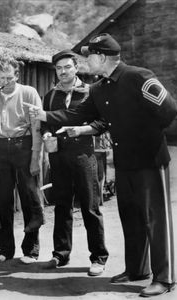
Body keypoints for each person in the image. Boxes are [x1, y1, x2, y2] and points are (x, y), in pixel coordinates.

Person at [28, 33, 177, 297]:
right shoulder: (99, 88)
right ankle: (137, 270)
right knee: (131, 218)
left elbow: (169, 110)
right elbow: (78, 115)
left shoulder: (138, 76)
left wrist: (145, 138)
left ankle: (164, 279)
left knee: (156, 220)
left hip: (150, 160)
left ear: (101, 57)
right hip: (124, 163)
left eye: (89, 56)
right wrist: (45, 115)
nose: (86, 61)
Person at [40, 50, 108, 276]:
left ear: (76, 68)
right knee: (61, 205)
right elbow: (46, 123)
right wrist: (47, 134)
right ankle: (60, 253)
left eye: (67, 67)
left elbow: (102, 122)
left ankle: (98, 257)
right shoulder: (50, 96)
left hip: (83, 155)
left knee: (90, 206)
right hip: (58, 157)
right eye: (59, 68)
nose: (63, 72)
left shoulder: (90, 92)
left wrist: (83, 129)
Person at [0, 58, 44, 264]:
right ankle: (5, 249)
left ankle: (30, 251)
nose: (6, 81)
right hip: (1, 148)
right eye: (2, 77)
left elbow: (37, 127)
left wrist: (35, 157)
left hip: (24, 146)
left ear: (17, 75)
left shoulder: (28, 93)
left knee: (29, 197)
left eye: (10, 77)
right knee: (2, 201)